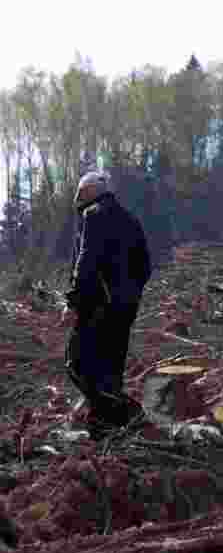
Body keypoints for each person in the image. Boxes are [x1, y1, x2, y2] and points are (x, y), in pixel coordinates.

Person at [63, 169, 152, 434]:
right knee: (111, 368)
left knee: (76, 362)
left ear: (91, 192)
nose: (77, 198)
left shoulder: (94, 215)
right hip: (125, 308)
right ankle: (104, 425)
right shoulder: (131, 219)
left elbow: (87, 262)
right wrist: (130, 296)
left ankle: (127, 414)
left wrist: (74, 302)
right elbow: (145, 266)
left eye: (80, 192)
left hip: (98, 306)